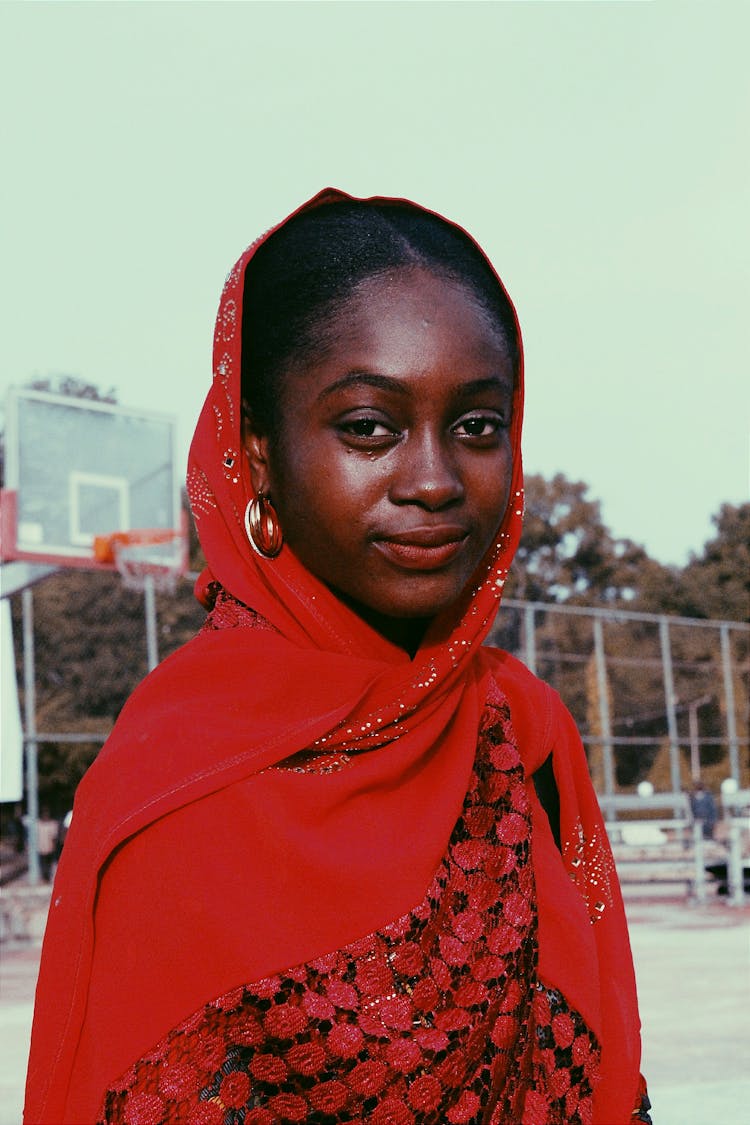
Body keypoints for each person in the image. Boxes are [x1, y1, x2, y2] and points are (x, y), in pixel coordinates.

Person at [25, 189, 651, 1124]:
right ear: (259, 456)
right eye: (370, 427)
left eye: (478, 425)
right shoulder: (171, 783)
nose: (435, 479)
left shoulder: (523, 730)